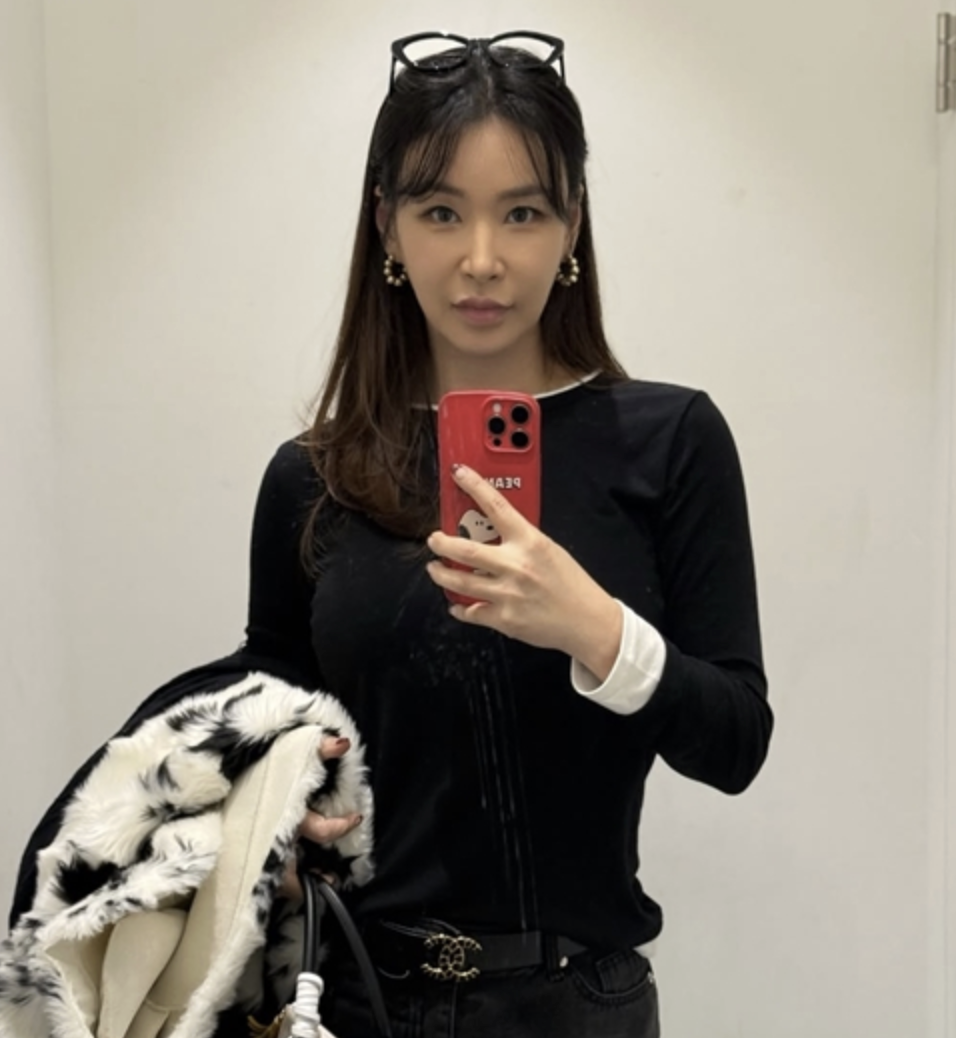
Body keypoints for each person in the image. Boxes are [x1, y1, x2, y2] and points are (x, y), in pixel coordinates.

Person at [8, 31, 772, 1038]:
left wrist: (594, 628)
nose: (482, 259)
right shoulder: (314, 476)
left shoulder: (668, 442)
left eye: (523, 212)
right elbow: (278, 711)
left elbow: (734, 740)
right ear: (387, 226)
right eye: (440, 211)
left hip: (577, 1002)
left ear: (572, 225)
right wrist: (282, 816)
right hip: (356, 998)